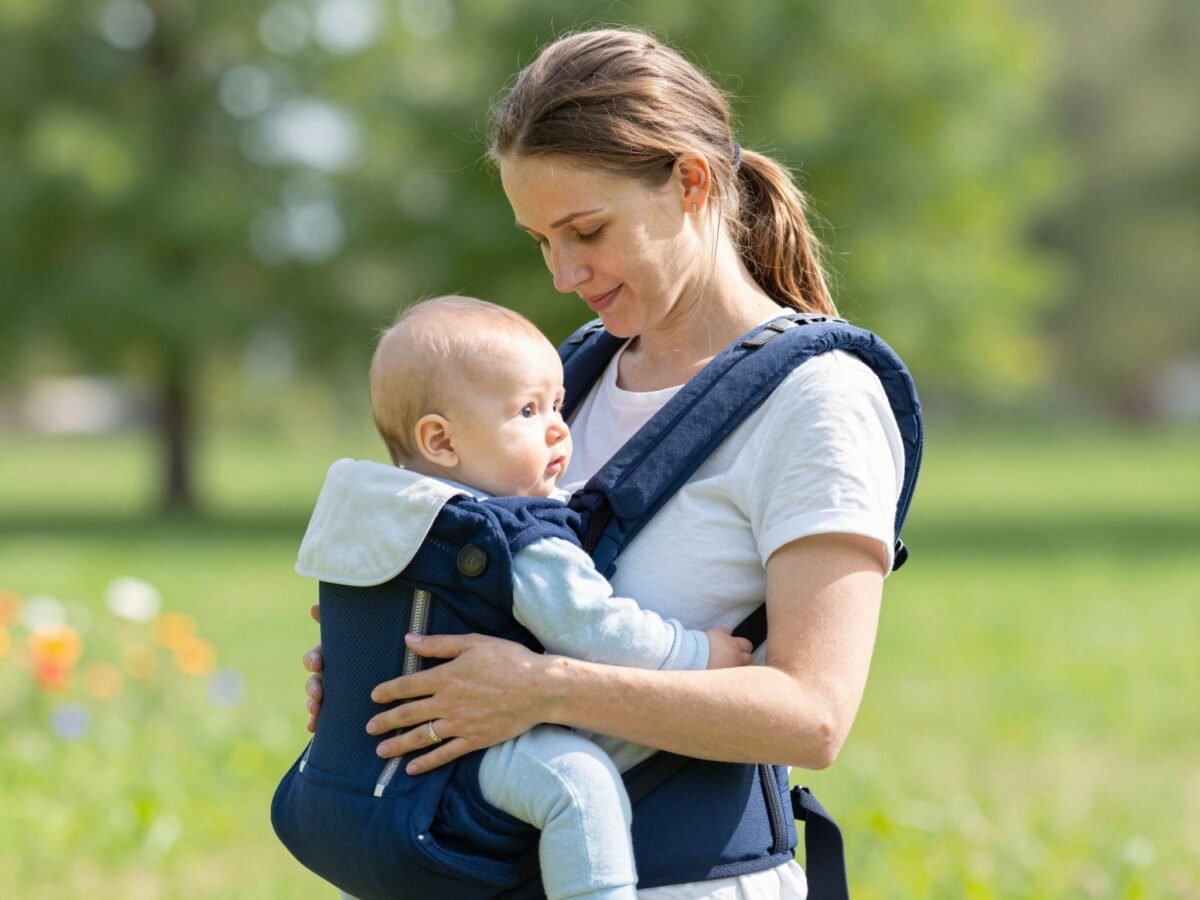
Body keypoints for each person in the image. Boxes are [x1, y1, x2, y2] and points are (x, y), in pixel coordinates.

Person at [304, 27, 905, 898]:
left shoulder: (819, 402)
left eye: (585, 230)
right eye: (540, 240)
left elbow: (812, 717)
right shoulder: (561, 381)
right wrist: (394, 670)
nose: (560, 272)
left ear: (691, 182)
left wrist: (540, 691)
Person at [312, 294, 752, 900]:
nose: (556, 427)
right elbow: (593, 628)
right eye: (525, 410)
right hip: (469, 756)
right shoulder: (514, 535)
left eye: (557, 406)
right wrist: (700, 654)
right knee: (579, 782)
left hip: (357, 768)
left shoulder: (377, 516)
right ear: (440, 442)